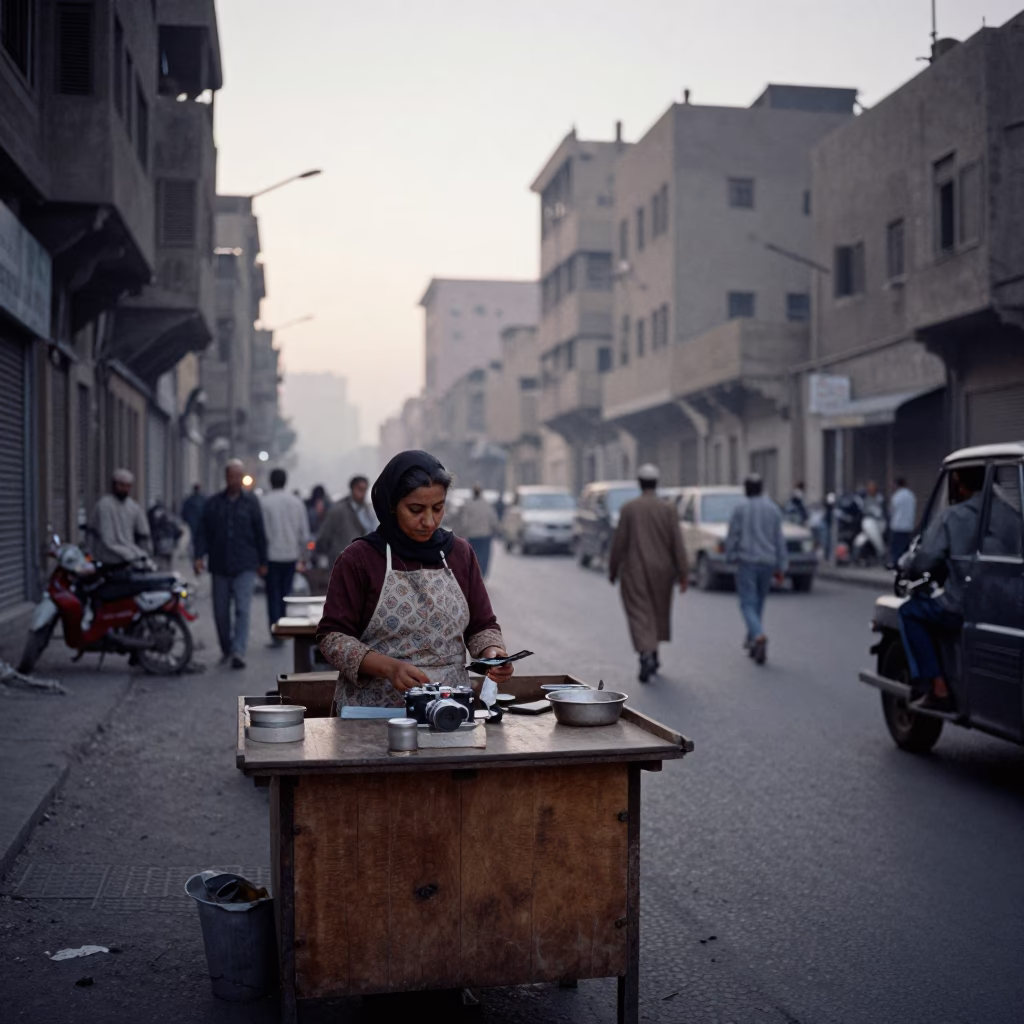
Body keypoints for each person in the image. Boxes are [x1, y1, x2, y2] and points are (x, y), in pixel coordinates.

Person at [316, 450, 514, 713]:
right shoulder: (360, 559)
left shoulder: (460, 554)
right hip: (373, 715)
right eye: (416, 510)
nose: (429, 521)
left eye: (438, 508)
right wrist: (388, 667)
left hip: (449, 712)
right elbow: (332, 638)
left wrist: (492, 653)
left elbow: (482, 625)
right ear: (391, 505)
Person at [898, 466, 985, 713]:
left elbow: (925, 560)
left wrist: (909, 567)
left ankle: (938, 688)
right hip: (1005, 605)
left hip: (963, 604)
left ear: (960, 485)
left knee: (910, 612)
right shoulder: (1011, 515)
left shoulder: (953, 516)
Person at [608, 464, 689, 683]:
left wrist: (613, 569)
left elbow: (619, 543)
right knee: (657, 612)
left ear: (639, 483)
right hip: (663, 571)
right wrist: (683, 573)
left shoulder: (629, 509)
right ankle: (654, 654)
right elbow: (677, 543)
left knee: (640, 614)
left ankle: (645, 653)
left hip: (635, 571)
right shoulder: (668, 509)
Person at [194, 460, 268, 669]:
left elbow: (260, 533)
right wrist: (198, 556)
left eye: (238, 476)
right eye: (231, 476)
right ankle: (226, 648)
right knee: (220, 612)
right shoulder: (213, 503)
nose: (234, 480)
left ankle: (238, 651)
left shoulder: (251, 502)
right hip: (219, 565)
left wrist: (263, 561)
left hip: (245, 564)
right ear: (226, 477)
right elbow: (202, 533)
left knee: (243, 609)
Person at [725, 474, 788, 666]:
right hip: (768, 562)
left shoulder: (740, 509)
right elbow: (779, 539)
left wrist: (730, 555)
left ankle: (758, 635)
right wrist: (781, 566)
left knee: (747, 603)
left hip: (747, 561)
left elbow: (733, 535)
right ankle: (753, 637)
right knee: (759, 601)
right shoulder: (773, 509)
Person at [260, 468, 311, 645]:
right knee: (285, 594)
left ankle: (276, 631)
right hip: (290, 555)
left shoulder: (264, 502)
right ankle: (284, 627)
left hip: (271, 556)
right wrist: (303, 556)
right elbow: (304, 533)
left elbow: (261, 533)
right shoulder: (296, 502)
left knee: (272, 595)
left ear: (270, 481)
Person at [91, 469, 152, 566]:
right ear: (114, 485)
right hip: (107, 557)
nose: (124, 489)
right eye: (121, 485)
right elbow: (107, 538)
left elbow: (143, 532)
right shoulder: (105, 505)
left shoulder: (133, 507)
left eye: (127, 486)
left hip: (129, 555)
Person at [315, 475, 376, 567]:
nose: (362, 493)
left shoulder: (368, 510)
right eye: (359, 489)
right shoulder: (337, 511)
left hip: (364, 561)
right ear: (352, 489)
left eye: (364, 490)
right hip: (343, 561)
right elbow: (324, 537)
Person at [460, 484, 499, 577]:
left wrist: (464, 531)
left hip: (472, 535)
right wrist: (496, 528)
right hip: (485, 535)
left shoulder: (468, 504)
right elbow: (493, 518)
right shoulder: (486, 504)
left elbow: (464, 521)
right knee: (484, 557)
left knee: (474, 556)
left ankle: (475, 573)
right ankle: (482, 574)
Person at [147, 499, 183, 571]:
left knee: (161, 566)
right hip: (168, 544)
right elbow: (178, 531)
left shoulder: (151, 515)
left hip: (160, 545)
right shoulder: (169, 515)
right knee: (169, 566)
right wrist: (175, 542)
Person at [889, 477, 917, 565]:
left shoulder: (897, 496)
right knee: (905, 548)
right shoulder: (911, 495)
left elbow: (892, 510)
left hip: (897, 526)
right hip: (908, 526)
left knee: (896, 548)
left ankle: (895, 563)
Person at [181, 483, 206, 562]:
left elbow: (184, 512)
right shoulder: (203, 499)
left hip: (194, 523)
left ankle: (196, 556)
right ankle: (197, 556)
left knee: (195, 540)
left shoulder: (190, 500)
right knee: (197, 540)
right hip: (197, 523)